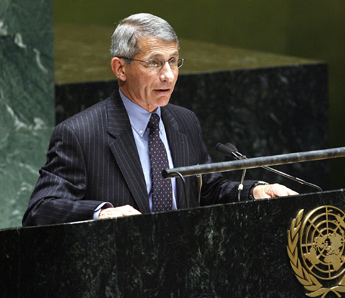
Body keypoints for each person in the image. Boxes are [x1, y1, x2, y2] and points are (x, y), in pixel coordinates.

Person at [22, 13, 297, 226]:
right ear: (120, 68)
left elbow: (208, 191)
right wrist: (101, 213)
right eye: (154, 63)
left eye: (174, 61)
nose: (168, 75)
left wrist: (255, 191)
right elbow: (40, 208)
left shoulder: (184, 121)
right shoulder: (80, 133)